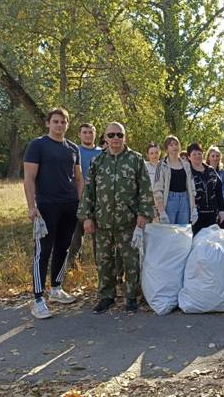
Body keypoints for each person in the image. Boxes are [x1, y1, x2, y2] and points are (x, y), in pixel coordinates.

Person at [77, 122, 154, 313]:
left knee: (131, 261)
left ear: (124, 137)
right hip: (102, 222)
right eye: (111, 135)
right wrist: (87, 217)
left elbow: (145, 189)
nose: (115, 139)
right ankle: (106, 296)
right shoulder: (98, 161)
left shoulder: (135, 160)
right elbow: (89, 191)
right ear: (105, 137)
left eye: (119, 135)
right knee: (104, 261)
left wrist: (144, 214)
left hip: (128, 222)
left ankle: (131, 297)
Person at [23, 108, 83, 319]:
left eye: (63, 122)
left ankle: (56, 289)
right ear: (48, 123)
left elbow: (78, 179)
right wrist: (32, 206)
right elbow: (29, 178)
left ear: (67, 125)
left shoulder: (73, 148)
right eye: (56, 122)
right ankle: (37, 299)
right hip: (46, 206)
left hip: (69, 206)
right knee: (43, 251)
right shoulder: (37, 145)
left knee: (63, 248)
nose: (59, 125)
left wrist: (80, 204)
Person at [69, 124, 102, 267]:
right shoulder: (73, 151)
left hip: (99, 201)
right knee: (75, 238)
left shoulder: (102, 153)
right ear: (79, 134)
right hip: (77, 199)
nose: (88, 135)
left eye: (91, 132)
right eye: (85, 132)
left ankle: (100, 269)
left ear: (95, 134)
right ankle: (70, 267)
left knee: (99, 239)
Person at [153, 135, 197, 225]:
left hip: (185, 201)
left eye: (176, 144)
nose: (174, 147)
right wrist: (161, 211)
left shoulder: (186, 165)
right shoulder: (161, 165)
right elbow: (157, 189)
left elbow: (192, 188)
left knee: (182, 232)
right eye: (171, 145)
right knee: (169, 233)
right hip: (169, 201)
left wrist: (194, 208)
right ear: (166, 148)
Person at [187, 142, 224, 235]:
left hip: (212, 214)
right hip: (195, 216)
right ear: (189, 157)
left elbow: (218, 191)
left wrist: (221, 210)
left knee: (212, 243)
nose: (197, 156)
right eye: (194, 154)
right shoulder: (187, 173)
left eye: (199, 154)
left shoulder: (211, 170)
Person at [206, 145, 224, 229]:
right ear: (208, 157)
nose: (215, 158)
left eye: (217, 156)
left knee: (220, 230)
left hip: (221, 208)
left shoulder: (223, 173)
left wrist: (218, 203)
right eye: (213, 156)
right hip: (207, 208)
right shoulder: (204, 171)